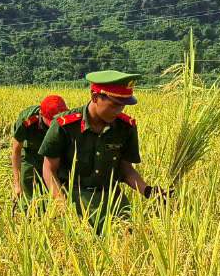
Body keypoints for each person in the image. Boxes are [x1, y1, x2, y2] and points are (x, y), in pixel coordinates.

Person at [39, 71, 168, 230]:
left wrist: (148, 191)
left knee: (129, 243)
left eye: (122, 105)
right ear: (94, 97)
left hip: (112, 200)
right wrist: (61, 205)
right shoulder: (64, 126)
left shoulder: (125, 128)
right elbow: (48, 168)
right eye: (114, 104)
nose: (118, 111)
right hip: (75, 200)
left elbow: (126, 170)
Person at [10, 94, 68, 200]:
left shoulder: (67, 118)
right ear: (41, 114)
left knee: (63, 185)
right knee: (28, 187)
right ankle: (31, 213)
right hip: (32, 154)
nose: (54, 125)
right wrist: (17, 184)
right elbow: (16, 151)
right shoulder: (27, 120)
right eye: (51, 121)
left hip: (56, 153)